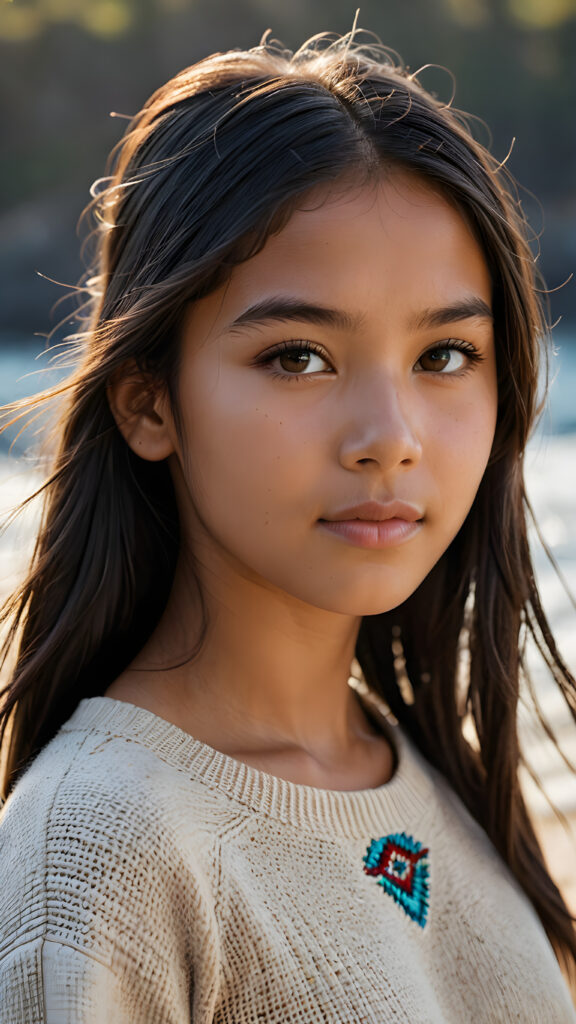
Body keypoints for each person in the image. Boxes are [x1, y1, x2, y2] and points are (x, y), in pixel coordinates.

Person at [0, 27, 575, 1023]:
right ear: (148, 403)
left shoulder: (433, 774)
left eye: (444, 356)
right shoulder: (105, 840)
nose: (390, 439)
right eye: (299, 356)